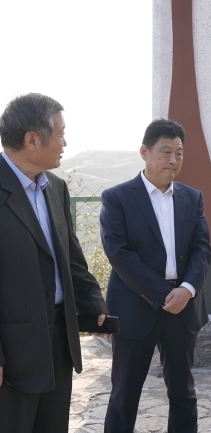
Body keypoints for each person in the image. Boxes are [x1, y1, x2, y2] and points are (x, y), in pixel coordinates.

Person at [0, 93, 109, 432]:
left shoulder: (56, 188)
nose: (65, 143)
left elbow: (71, 258)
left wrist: (94, 304)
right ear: (32, 139)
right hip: (13, 353)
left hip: (60, 344)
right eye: (60, 133)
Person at [100, 119, 211, 433]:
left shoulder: (192, 197)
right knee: (124, 394)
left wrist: (187, 289)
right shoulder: (118, 197)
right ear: (144, 152)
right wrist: (164, 294)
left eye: (179, 152)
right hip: (135, 306)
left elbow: (202, 248)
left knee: (183, 391)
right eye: (165, 152)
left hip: (183, 307)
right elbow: (119, 253)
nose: (173, 159)